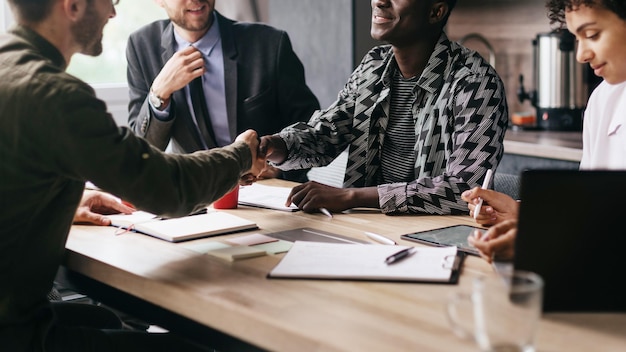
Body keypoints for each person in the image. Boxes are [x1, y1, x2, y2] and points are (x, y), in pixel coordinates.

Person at [0, 0, 267, 350]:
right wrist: (239, 156)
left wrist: (65, 197)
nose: (112, 13)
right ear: (74, 6)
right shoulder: (54, 95)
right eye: (109, 1)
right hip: (16, 335)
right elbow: (168, 188)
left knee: (106, 319)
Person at [259, 0, 509, 215]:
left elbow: (465, 188)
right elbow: (326, 135)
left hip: (437, 240)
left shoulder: (475, 82)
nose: (379, 1)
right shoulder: (373, 66)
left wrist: (351, 197)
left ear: (436, 12)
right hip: (369, 228)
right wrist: (272, 146)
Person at [464, 0, 626, 262]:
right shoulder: (602, 99)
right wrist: (523, 214)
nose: (581, 55)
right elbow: (591, 208)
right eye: (577, 39)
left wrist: (544, 241)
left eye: (592, 35)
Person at [126, 0, 320, 183]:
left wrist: (280, 169)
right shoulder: (141, 46)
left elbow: (310, 127)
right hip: (194, 196)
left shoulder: (269, 43)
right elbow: (141, 151)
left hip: (268, 193)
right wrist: (159, 92)